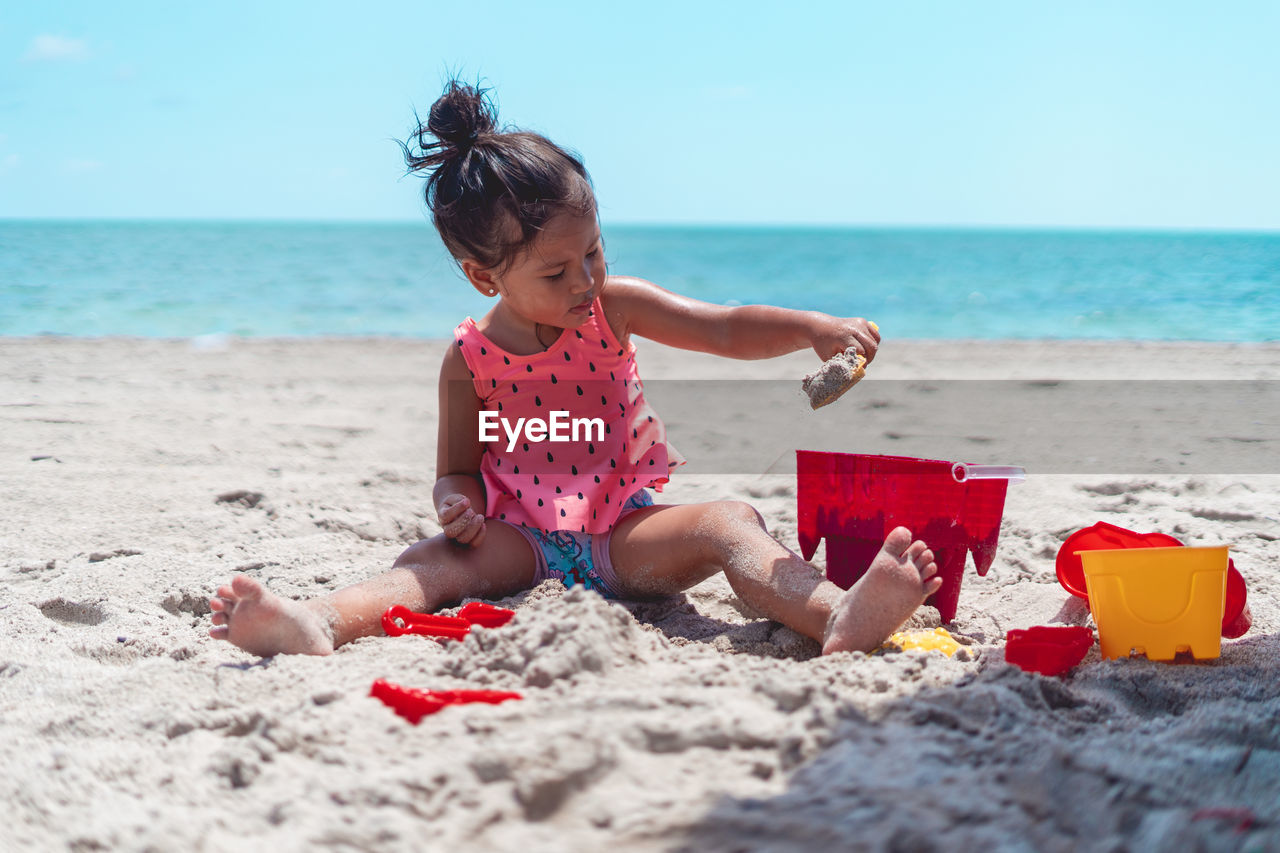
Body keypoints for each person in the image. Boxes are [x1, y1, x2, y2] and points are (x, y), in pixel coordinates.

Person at [207, 80, 940, 658]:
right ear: (482, 277)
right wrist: (455, 506)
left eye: (593, 251)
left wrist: (812, 328)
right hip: (519, 542)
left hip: (626, 533)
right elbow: (456, 470)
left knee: (730, 521)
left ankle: (836, 613)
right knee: (427, 562)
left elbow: (721, 326)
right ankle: (317, 621)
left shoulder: (612, 309)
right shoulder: (467, 360)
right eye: (556, 272)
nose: (584, 281)